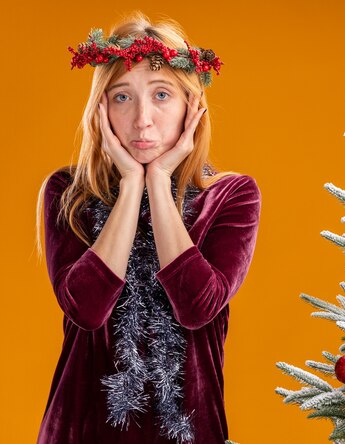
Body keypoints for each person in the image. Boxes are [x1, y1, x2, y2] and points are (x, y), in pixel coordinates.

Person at [34, 11, 261, 444]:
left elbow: (197, 306)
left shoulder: (232, 195)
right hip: (80, 430)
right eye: (122, 97)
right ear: (100, 108)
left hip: (191, 431)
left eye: (161, 95)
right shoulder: (67, 192)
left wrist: (158, 182)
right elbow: (85, 308)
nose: (142, 119)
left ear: (192, 106)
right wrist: (130, 186)